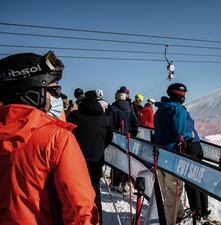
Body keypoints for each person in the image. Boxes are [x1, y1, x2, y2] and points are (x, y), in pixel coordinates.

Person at [0, 51, 99, 224]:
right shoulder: (57, 139)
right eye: (53, 90)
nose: (56, 97)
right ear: (32, 92)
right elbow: (80, 210)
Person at [154, 83, 209, 224]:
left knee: (167, 189)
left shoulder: (160, 110)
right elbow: (180, 133)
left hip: (160, 153)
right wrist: (190, 133)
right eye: (184, 95)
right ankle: (170, 220)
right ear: (180, 96)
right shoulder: (178, 110)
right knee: (174, 189)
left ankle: (178, 213)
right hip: (173, 153)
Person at [68, 90, 113, 225]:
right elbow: (109, 138)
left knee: (76, 190)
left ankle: (79, 220)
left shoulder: (75, 115)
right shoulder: (105, 119)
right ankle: (98, 220)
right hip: (97, 159)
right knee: (95, 189)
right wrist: (100, 148)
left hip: (77, 158)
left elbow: (66, 132)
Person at [109, 88, 139, 192]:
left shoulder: (112, 107)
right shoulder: (130, 107)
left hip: (116, 136)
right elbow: (135, 122)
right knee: (125, 159)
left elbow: (108, 123)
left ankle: (115, 182)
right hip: (127, 137)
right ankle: (124, 182)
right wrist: (132, 134)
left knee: (115, 158)